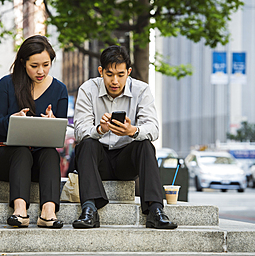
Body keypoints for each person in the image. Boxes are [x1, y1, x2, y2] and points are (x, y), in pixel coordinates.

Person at [72, 45, 177, 229]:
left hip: (127, 161)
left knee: (145, 144)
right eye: (109, 74)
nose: (115, 81)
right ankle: (89, 208)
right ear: (100, 71)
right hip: (98, 161)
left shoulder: (141, 90)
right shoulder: (88, 89)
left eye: (121, 75)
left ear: (128, 72)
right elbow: (79, 130)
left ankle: (155, 209)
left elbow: (153, 129)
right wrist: (100, 129)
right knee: (86, 144)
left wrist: (132, 131)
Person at [0, 35, 68, 228]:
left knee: (50, 154)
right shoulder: (6, 84)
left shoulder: (59, 90)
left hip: (38, 163)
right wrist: (13, 120)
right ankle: (20, 210)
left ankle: (48, 212)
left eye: (46, 65)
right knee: (21, 150)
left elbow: (59, 136)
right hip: (5, 158)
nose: (41, 71)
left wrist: (53, 123)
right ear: (23, 63)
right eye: (34, 66)